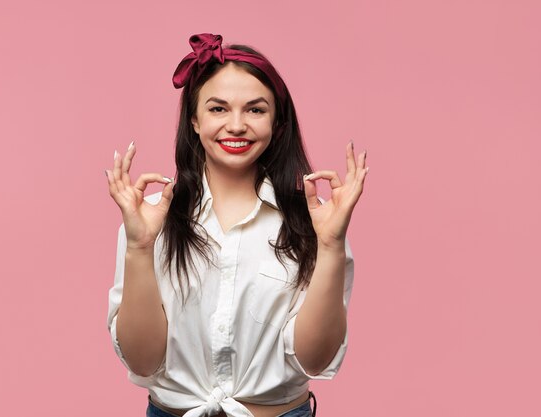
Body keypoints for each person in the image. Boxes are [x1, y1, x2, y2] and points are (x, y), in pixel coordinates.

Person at [105, 33, 368, 417]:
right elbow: (143, 361)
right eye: (218, 109)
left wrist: (330, 245)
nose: (237, 125)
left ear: (278, 123)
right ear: (193, 120)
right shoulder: (148, 219)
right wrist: (139, 247)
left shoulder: (315, 220)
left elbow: (314, 360)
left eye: (256, 110)